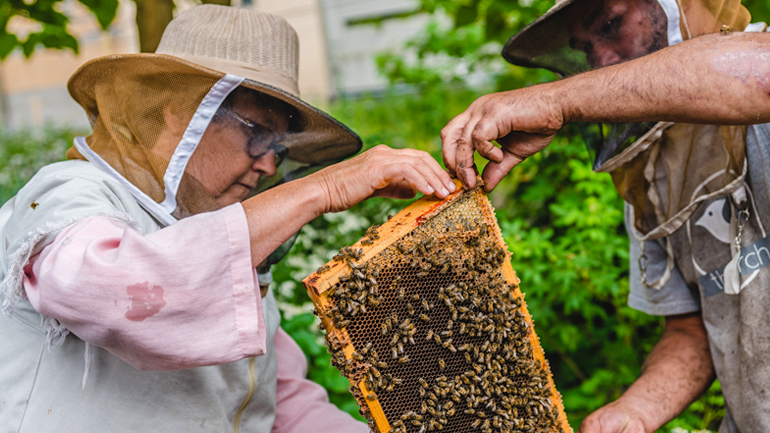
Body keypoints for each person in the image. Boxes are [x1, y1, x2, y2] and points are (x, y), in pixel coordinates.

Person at [0, 5, 457, 432]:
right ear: (181, 115)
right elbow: (110, 291)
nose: (270, 167)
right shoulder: (70, 193)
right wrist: (323, 187)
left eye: (279, 148)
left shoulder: (224, 238)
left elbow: (277, 404)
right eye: (257, 134)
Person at [441, 0, 770, 432]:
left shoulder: (755, 70)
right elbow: (695, 328)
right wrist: (636, 410)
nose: (600, 61)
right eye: (585, 49)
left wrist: (554, 100)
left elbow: (760, 77)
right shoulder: (650, 173)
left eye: (611, 25)